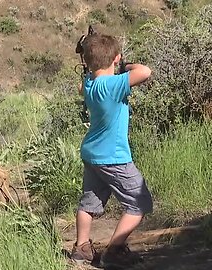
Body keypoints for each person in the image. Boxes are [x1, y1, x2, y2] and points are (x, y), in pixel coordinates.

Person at [71, 33, 153, 269]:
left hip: (91, 154)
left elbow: (88, 74)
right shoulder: (113, 85)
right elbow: (144, 71)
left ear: (87, 61)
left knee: (89, 202)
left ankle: (82, 249)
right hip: (113, 157)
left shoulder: (88, 83)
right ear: (115, 59)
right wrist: (125, 64)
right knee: (139, 203)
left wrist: (94, 58)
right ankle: (114, 251)